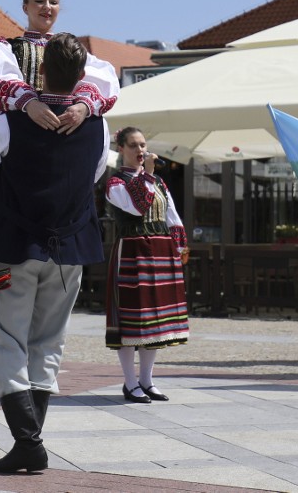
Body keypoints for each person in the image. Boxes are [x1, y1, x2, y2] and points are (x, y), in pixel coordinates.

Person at [0, 33, 108, 473]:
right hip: (72, 247)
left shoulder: (10, 120)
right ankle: (30, 442)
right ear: (82, 77)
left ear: (38, 72)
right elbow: (94, 173)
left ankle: (28, 442)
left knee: (9, 341)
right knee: (48, 343)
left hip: (16, 245)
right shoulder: (99, 123)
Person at [106, 127, 189, 404]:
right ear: (121, 149)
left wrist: (179, 247)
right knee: (132, 320)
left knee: (154, 320)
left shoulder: (159, 183)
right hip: (132, 251)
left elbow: (171, 215)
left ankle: (147, 380)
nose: (140, 151)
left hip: (160, 252)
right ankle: (130, 383)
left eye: (143, 145)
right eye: (133, 146)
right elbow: (137, 207)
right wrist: (149, 175)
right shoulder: (115, 182)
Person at [0, 0, 119, 132]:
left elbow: (105, 80)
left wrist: (83, 106)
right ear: (25, 7)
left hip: (63, 127)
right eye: (39, 1)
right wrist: (29, 102)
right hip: (19, 128)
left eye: (53, 2)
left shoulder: (71, 50)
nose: (47, 7)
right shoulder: (7, 48)